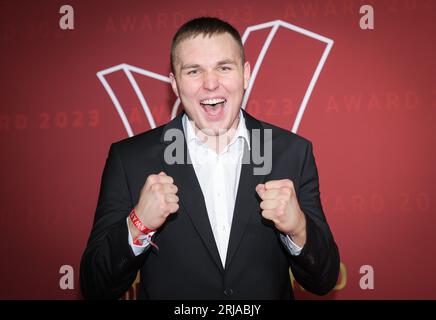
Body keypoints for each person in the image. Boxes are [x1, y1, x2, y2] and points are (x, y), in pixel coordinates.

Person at [80, 17, 340, 299]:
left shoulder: (290, 152)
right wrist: (138, 224)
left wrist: (299, 228)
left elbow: (324, 279)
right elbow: (95, 285)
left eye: (224, 68)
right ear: (175, 85)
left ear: (246, 74)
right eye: (193, 71)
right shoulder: (130, 159)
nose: (211, 83)